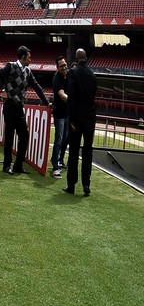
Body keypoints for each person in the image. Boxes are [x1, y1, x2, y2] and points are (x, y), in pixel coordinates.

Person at [0, 45, 50, 175]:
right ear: (23, 57)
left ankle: (18, 165)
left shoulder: (28, 71)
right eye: (29, 57)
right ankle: (6, 166)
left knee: (24, 136)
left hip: (19, 107)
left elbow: (37, 87)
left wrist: (47, 103)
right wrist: (2, 90)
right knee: (10, 136)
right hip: (10, 105)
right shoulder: (11, 66)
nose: (31, 59)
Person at [63, 48, 97, 196]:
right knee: (88, 152)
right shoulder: (92, 75)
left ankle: (71, 185)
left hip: (77, 119)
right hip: (90, 118)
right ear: (86, 58)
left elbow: (71, 98)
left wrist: (72, 119)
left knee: (74, 152)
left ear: (76, 58)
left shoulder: (73, 72)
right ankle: (86, 185)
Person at [50, 55, 69, 178]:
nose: (64, 67)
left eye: (65, 65)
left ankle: (60, 160)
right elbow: (62, 95)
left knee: (65, 139)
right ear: (57, 68)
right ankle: (55, 166)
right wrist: (74, 101)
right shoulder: (57, 79)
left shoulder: (69, 75)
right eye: (61, 66)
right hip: (59, 114)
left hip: (67, 113)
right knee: (59, 140)